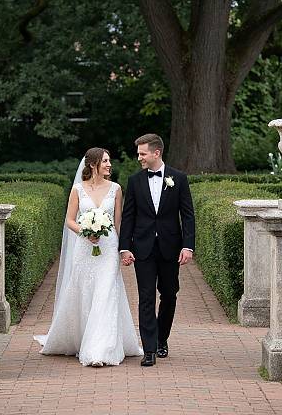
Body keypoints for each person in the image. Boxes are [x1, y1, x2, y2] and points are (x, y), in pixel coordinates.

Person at [34, 147, 142, 366]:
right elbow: (70, 220)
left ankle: (100, 350)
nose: (109, 165)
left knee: (106, 292)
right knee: (84, 293)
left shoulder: (116, 189)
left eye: (109, 161)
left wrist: (125, 248)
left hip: (108, 247)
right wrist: (85, 231)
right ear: (93, 164)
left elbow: (119, 222)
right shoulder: (77, 189)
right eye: (105, 161)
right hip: (84, 248)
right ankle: (81, 338)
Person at [119, 134, 195, 366]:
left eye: (142, 153)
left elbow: (188, 215)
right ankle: (149, 349)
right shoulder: (135, 181)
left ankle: (162, 339)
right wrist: (124, 247)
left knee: (169, 294)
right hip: (143, 248)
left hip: (170, 247)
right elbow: (128, 216)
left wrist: (188, 246)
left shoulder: (178, 179)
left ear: (156, 153)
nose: (139, 157)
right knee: (145, 297)